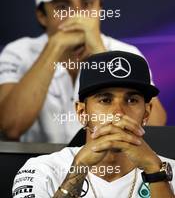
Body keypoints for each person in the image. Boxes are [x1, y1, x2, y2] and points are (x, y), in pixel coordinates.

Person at [0, 0, 166, 143]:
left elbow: (155, 126)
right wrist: (54, 48)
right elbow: (10, 127)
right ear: (42, 15)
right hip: (36, 167)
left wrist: (99, 51)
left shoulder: (127, 53)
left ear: (100, 7)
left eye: (86, 4)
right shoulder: (17, 52)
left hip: (104, 169)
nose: (77, 16)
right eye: (63, 6)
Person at [12, 51, 175, 198]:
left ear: (146, 113)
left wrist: (155, 173)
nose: (118, 113)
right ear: (82, 112)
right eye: (105, 100)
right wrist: (79, 169)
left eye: (131, 100)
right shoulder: (43, 170)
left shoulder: (170, 171)